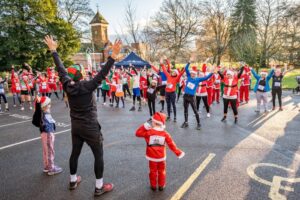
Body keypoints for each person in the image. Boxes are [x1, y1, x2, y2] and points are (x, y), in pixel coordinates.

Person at [44, 35, 122, 196]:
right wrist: (113, 56)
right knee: (98, 155)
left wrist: (53, 51)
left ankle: (73, 181)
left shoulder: (67, 84)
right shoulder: (88, 85)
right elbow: (102, 73)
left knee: (75, 153)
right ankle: (99, 187)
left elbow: (61, 69)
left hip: (76, 127)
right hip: (90, 127)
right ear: (80, 75)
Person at [135, 112, 185, 191]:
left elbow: (137, 133)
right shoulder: (165, 134)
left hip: (152, 157)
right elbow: (171, 144)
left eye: (152, 121)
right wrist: (178, 152)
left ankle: (153, 186)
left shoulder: (148, 132)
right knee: (162, 171)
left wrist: (145, 126)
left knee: (152, 171)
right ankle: (161, 185)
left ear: (154, 122)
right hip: (161, 157)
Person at [181, 58, 213, 130]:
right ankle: (186, 122)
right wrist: (189, 62)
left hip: (192, 97)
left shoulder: (198, 79)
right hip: (185, 96)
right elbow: (186, 68)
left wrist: (212, 72)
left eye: (193, 74)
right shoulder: (188, 77)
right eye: (191, 73)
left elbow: (206, 77)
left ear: (195, 74)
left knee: (195, 110)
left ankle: (199, 124)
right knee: (185, 110)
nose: (192, 74)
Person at [35, 96, 63, 175]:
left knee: (46, 151)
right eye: (49, 104)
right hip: (47, 133)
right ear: (44, 106)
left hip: (47, 133)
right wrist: (38, 103)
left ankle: (47, 166)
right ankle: (51, 168)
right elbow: (38, 112)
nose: (50, 105)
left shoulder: (46, 112)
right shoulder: (42, 113)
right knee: (50, 151)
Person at [161, 57, 185, 122]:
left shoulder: (177, 78)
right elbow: (164, 69)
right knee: (168, 105)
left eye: (174, 72)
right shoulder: (168, 75)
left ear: (176, 74)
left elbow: (181, 73)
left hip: (172, 93)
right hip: (167, 92)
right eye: (172, 72)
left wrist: (186, 67)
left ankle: (175, 117)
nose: (173, 73)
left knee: (173, 104)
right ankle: (169, 116)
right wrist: (164, 61)